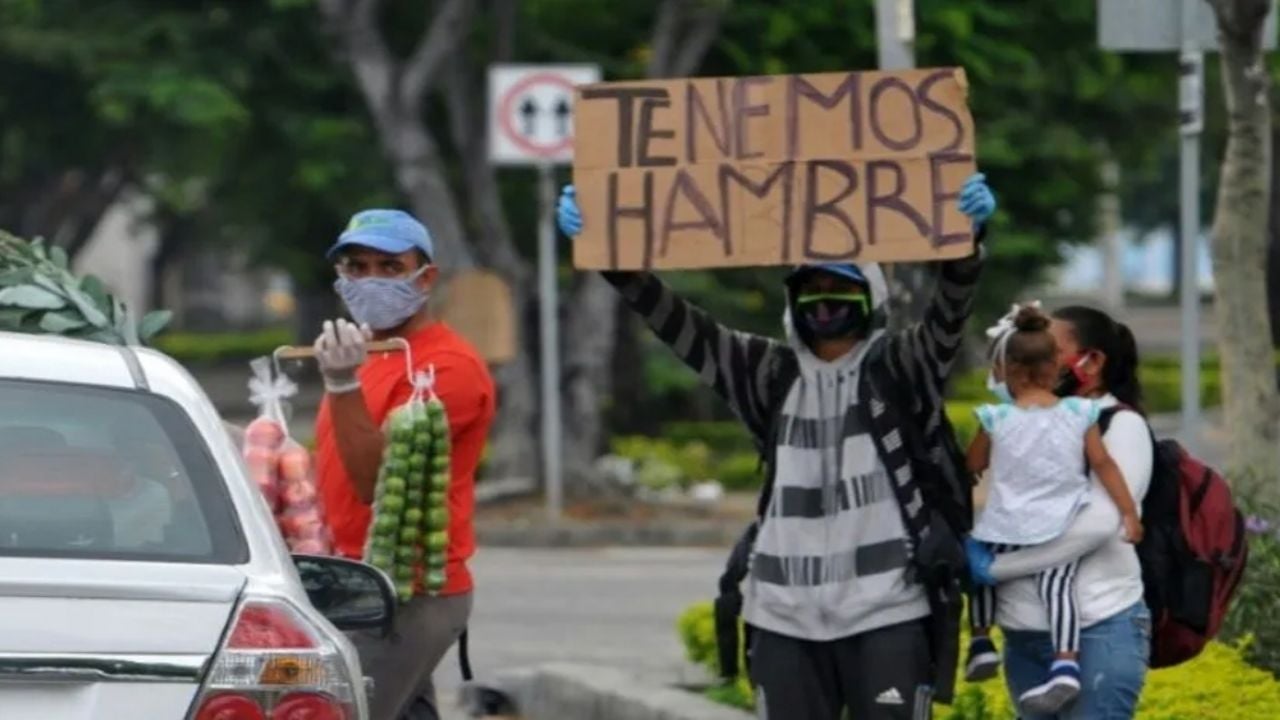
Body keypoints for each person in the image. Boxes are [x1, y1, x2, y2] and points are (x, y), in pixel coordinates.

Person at [559, 174, 997, 719]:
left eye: (841, 287)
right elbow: (674, 321)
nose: (825, 300)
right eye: (812, 287)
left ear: (871, 295)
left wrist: (966, 244)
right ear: (792, 297)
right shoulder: (763, 371)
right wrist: (610, 255)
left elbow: (950, 311)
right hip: (780, 615)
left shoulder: (904, 366)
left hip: (889, 612)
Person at [312, 209, 496, 720]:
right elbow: (333, 462)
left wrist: (342, 385)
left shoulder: (448, 369)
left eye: (390, 267)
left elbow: (376, 485)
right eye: (357, 267)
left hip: (405, 593)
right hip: (353, 579)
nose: (370, 280)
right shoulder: (372, 354)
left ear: (426, 277)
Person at [966, 305, 1154, 720]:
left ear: (1092, 361)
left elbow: (1098, 524)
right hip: (1025, 632)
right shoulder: (1019, 419)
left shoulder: (1118, 425)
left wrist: (996, 568)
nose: (1031, 354)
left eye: (1048, 347)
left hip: (1098, 626)